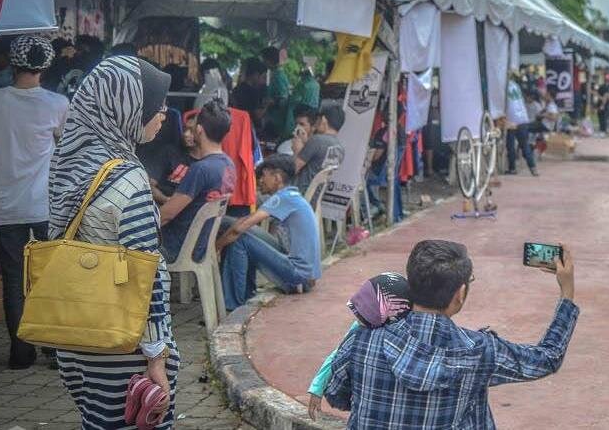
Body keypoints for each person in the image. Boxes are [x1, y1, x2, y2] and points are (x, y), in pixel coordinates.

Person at [46, 55, 178, 428]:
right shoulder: (128, 179)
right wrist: (156, 356)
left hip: (74, 337)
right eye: (154, 104)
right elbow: (144, 274)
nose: (164, 112)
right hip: (124, 343)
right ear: (125, 107)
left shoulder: (66, 164)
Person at [322, 240, 579, 428]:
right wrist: (566, 293)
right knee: (473, 400)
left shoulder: (365, 337)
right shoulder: (479, 350)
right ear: (460, 294)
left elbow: (335, 394)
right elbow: (548, 358)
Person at [0, 35, 70, 369]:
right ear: (45, 66)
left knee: (14, 280)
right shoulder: (57, 104)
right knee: (49, 276)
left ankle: (20, 352)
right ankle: (53, 350)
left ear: (12, 64)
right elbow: (68, 155)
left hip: (6, 205)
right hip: (47, 206)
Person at [214, 155, 318, 310]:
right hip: (304, 275)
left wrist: (216, 247)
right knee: (245, 232)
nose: (260, 180)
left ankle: (232, 306)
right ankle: (247, 294)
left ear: (277, 177)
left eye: (263, 176)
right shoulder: (291, 195)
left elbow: (238, 229)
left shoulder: (283, 198)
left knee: (241, 239)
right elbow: (242, 223)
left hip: (299, 277)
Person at [306, 272, 415, 420]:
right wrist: (317, 388)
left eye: (365, 311)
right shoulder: (359, 328)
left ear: (388, 311)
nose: (358, 316)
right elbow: (337, 354)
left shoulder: (410, 334)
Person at [158, 101, 235, 263]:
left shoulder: (200, 169)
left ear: (199, 130)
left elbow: (167, 215)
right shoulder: (228, 165)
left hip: (177, 247)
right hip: (201, 244)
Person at [137, 108, 193, 204]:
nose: (186, 134)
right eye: (185, 129)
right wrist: (167, 201)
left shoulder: (204, 165)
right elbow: (148, 185)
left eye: (192, 131)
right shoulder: (170, 152)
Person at [294, 101, 347, 192]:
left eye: (318, 119)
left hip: (298, 194)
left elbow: (293, 169)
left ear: (323, 120)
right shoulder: (340, 149)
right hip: (314, 197)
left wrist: (297, 150)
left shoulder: (317, 140)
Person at [504, 74, 539, 176]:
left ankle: (512, 169)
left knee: (510, 145)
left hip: (512, 119)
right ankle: (533, 168)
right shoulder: (515, 85)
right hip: (523, 118)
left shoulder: (503, 86)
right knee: (524, 145)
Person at [262, 47, 295, 141]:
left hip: (277, 122)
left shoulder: (278, 76)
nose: (263, 62)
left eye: (264, 59)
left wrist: (269, 102)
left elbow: (283, 100)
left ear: (269, 60)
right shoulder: (276, 74)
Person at [230, 57, 268, 123]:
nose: (264, 82)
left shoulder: (237, 89)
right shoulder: (252, 92)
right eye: (263, 77)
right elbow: (257, 115)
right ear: (255, 75)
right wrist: (267, 105)